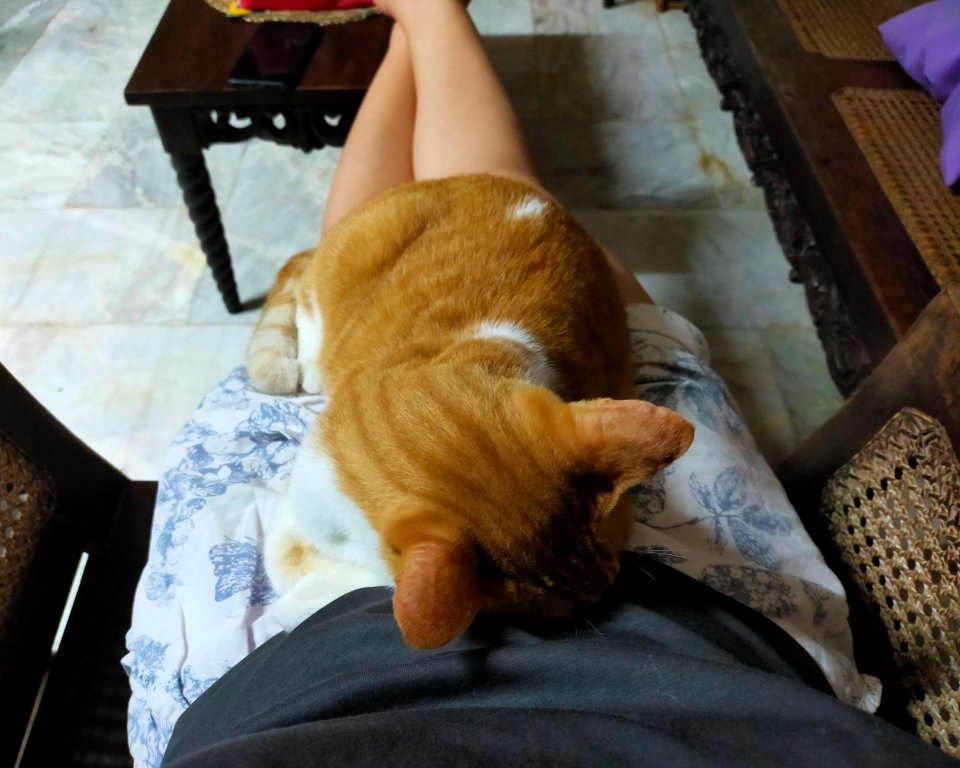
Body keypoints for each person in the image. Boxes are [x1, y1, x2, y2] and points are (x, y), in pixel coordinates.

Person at [158, 2, 950, 765]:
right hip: (720, 648)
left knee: (381, 237)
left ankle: (422, 21)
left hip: (301, 677)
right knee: (503, 207)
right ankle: (426, 18)